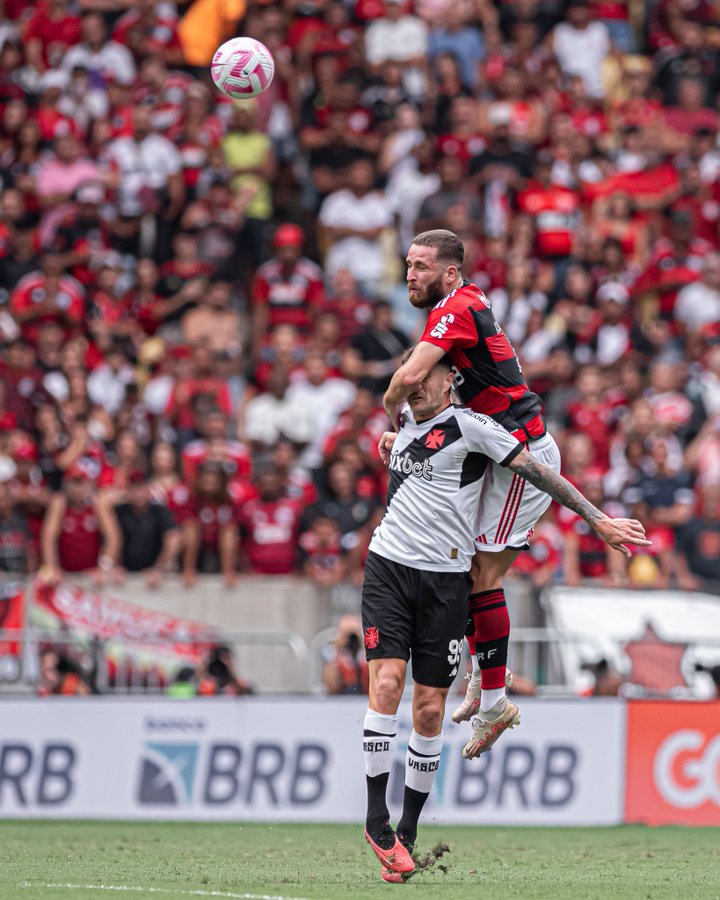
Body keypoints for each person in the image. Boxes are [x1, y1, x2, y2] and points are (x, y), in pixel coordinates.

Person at [365, 356, 649, 881]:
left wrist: (598, 521)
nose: (411, 385)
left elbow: (541, 473)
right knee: (386, 685)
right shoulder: (404, 420)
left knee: (429, 709)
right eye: (407, 378)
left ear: (450, 376)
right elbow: (395, 415)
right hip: (389, 569)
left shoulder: (472, 423)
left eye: (422, 374)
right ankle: (377, 819)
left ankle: (410, 828)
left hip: (444, 579)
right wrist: (389, 434)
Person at [381, 228, 559, 748]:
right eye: (407, 265)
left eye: (420, 266)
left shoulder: (455, 308)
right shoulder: (463, 301)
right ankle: (486, 679)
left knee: (479, 572)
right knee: (461, 565)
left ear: (450, 271)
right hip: (494, 452)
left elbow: (407, 377)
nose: (409, 275)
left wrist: (391, 411)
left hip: (521, 456)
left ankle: (495, 699)